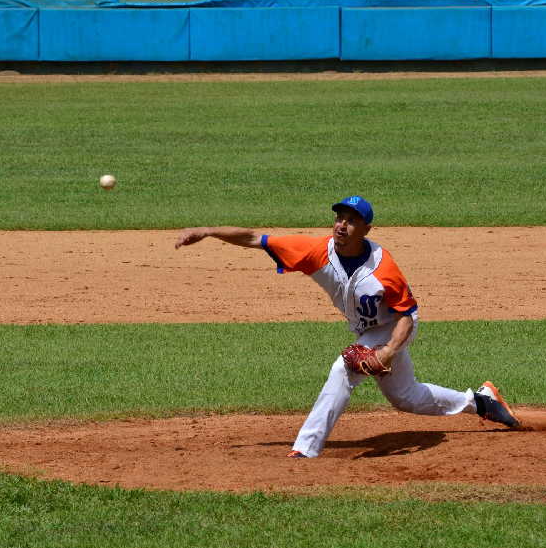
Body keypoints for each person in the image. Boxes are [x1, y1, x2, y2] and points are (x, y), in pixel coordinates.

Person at [175, 196, 520, 458]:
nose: (342, 225)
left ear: (366, 229)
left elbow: (406, 316)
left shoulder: (383, 268)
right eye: (340, 218)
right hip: (370, 332)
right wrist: (206, 232)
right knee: (406, 397)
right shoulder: (314, 251)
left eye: (352, 220)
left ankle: (306, 448)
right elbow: (254, 238)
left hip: (395, 327)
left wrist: (386, 350)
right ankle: (481, 402)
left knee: (343, 369)